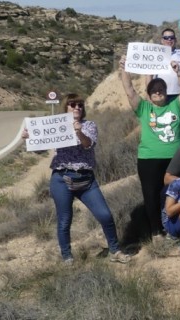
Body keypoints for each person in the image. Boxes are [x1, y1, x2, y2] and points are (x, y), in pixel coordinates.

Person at [25, 93, 129, 264]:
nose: (77, 108)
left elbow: (88, 144)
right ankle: (67, 257)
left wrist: (79, 132)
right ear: (66, 107)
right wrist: (29, 139)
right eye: (72, 105)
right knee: (65, 220)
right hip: (61, 178)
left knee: (105, 215)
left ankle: (115, 250)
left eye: (80, 105)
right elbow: (39, 150)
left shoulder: (89, 125)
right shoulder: (56, 125)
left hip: (86, 180)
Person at [120, 56, 180, 238]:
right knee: (151, 197)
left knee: (178, 194)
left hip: (175, 160)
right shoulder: (144, 109)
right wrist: (124, 69)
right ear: (149, 95)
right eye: (154, 90)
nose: (158, 92)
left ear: (166, 93)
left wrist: (179, 73)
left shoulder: (175, 106)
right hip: (149, 160)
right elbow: (129, 91)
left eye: (161, 90)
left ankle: (179, 230)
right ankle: (156, 232)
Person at [155, 28, 180, 101]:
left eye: (171, 38)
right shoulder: (155, 54)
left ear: (175, 40)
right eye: (166, 38)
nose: (169, 40)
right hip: (160, 94)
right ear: (162, 40)